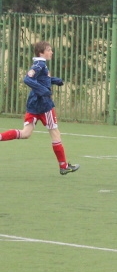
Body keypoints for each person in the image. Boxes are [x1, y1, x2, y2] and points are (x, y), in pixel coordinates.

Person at [0, 41, 80, 175]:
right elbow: (28, 79)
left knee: (26, 133)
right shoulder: (40, 64)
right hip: (44, 104)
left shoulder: (41, 65)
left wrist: (55, 80)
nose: (51, 52)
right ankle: (63, 166)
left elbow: (40, 79)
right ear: (41, 53)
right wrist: (44, 90)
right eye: (49, 50)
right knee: (55, 133)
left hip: (34, 103)